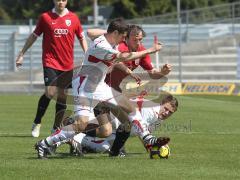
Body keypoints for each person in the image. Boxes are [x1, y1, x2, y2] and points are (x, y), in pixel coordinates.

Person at [34, 18, 167, 159]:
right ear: (115, 32)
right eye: (123, 36)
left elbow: (115, 60)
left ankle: (147, 138)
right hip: (85, 87)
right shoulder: (102, 45)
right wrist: (150, 50)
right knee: (81, 124)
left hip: (100, 86)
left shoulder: (111, 41)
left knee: (129, 109)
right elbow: (122, 56)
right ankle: (44, 143)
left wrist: (128, 71)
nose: (124, 40)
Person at [79, 25, 171, 154]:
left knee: (111, 129)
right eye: (135, 39)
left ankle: (115, 151)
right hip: (99, 90)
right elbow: (117, 58)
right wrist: (128, 70)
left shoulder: (141, 51)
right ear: (126, 38)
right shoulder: (119, 45)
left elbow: (152, 73)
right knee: (123, 122)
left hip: (112, 93)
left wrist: (162, 72)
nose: (138, 43)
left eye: (140, 40)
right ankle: (140, 142)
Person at [15, 0, 88, 137]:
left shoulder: (73, 18)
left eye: (64, 0)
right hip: (50, 61)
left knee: (62, 97)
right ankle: (37, 122)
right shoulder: (45, 17)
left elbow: (81, 37)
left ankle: (56, 128)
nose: (61, 2)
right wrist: (21, 54)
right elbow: (33, 36)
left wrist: (87, 55)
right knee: (50, 91)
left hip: (67, 64)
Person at [71, 94, 178, 155]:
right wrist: (152, 144)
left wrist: (153, 149)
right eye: (166, 109)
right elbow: (141, 132)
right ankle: (73, 132)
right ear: (161, 103)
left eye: (170, 113)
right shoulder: (150, 110)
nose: (166, 113)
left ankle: (80, 140)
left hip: (117, 126)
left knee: (106, 147)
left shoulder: (158, 118)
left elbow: (144, 134)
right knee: (107, 139)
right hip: (109, 114)